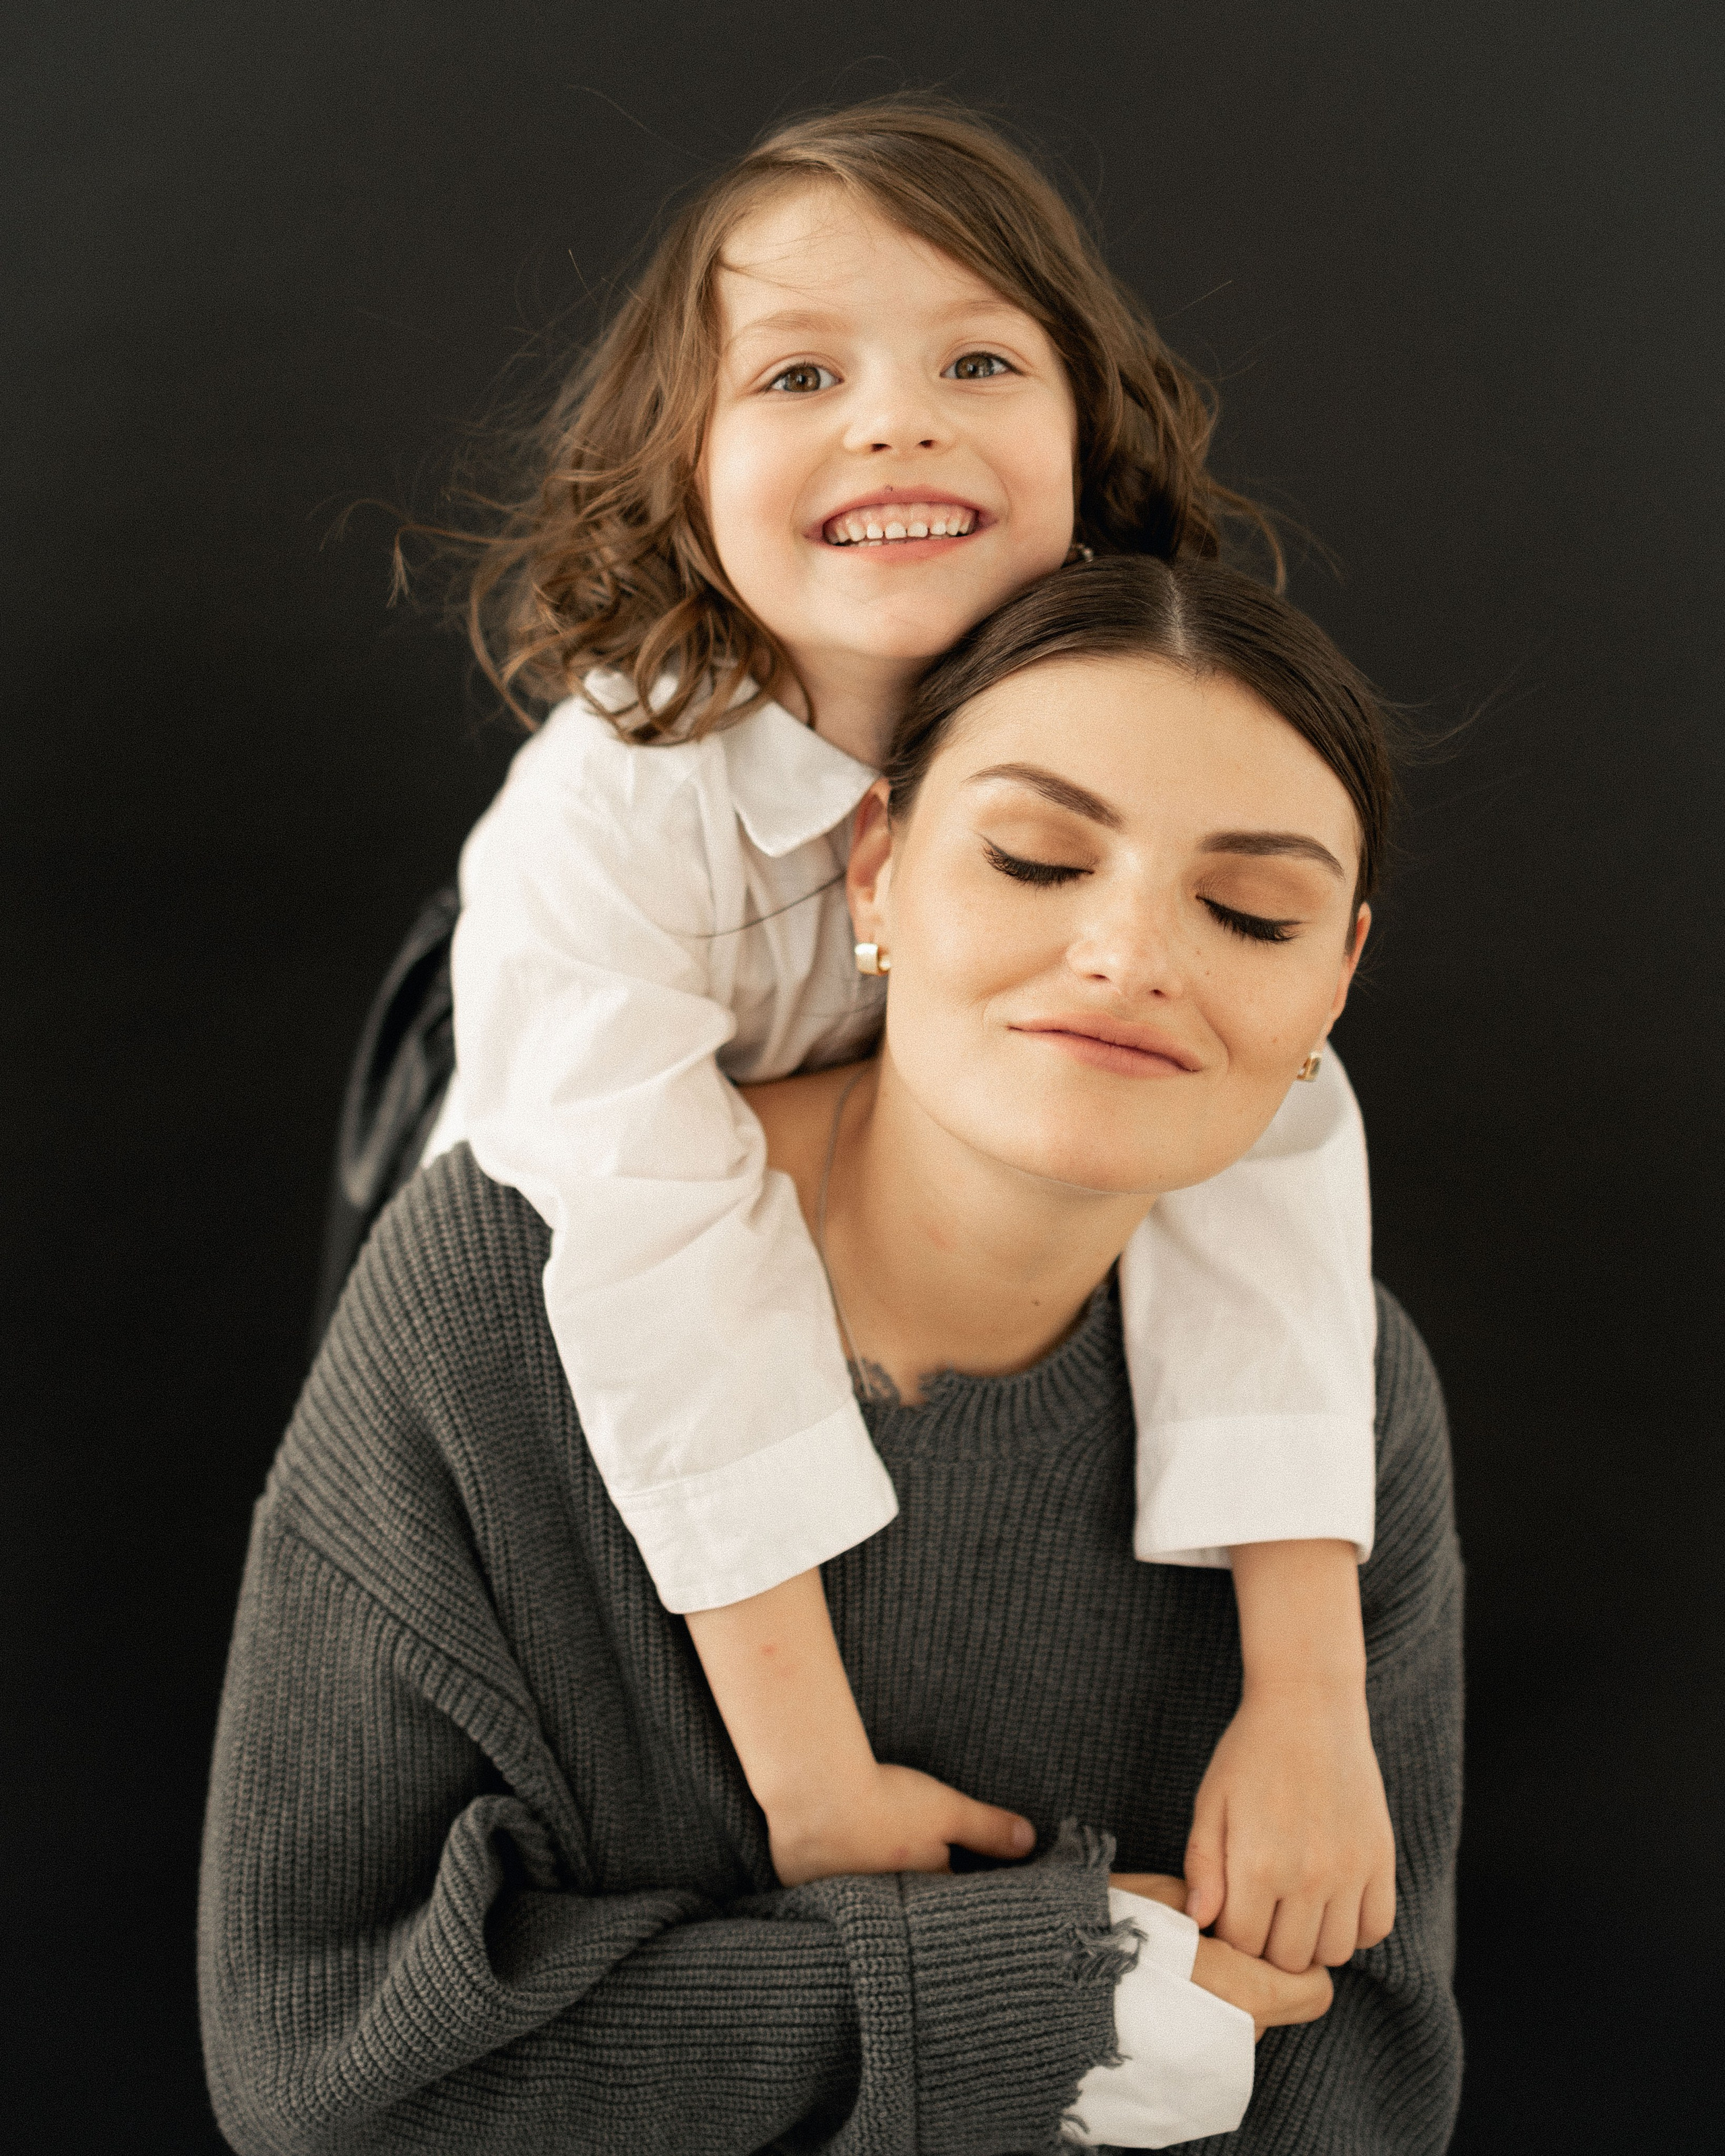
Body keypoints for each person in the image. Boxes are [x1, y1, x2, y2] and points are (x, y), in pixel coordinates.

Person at [199, 557, 1462, 2153]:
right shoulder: (485, 1302)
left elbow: (1356, 2085)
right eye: (1032, 857)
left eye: (1248, 913)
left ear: (1331, 981)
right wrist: (1034, 2000)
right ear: (875, 871)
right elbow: (334, 2075)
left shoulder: (1350, 1403)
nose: (1130, 953)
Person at [423, 96, 1393, 1960]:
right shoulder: (611, 818)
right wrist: (813, 1776)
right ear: (681, 464)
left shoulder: (1141, 719)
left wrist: (1305, 1693)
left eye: (976, 362)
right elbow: (652, 1262)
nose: (895, 421)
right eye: (800, 375)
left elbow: (1263, 1136)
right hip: (572, 1284)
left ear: (1087, 438)